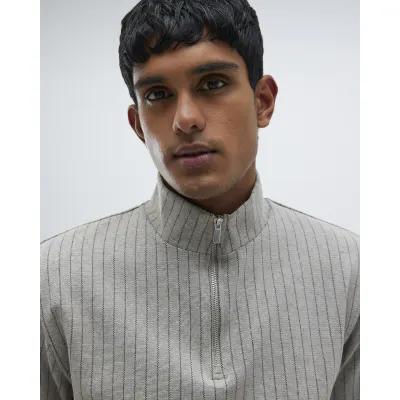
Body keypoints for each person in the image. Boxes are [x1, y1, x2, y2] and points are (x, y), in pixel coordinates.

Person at [40, 0, 360, 399]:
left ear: (263, 102)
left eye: (213, 84)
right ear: (138, 125)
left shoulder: (351, 272)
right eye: (158, 94)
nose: (186, 119)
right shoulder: (53, 278)